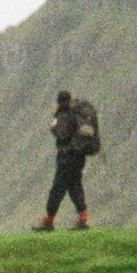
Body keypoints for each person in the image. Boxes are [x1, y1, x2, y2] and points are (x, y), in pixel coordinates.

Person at [33, 89, 100, 231]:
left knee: (57, 189)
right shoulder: (77, 111)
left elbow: (62, 134)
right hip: (79, 157)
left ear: (59, 101)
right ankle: (83, 219)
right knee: (74, 186)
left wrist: (54, 126)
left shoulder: (64, 113)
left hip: (67, 157)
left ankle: (49, 221)